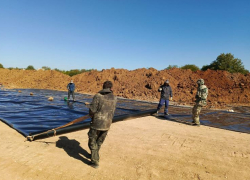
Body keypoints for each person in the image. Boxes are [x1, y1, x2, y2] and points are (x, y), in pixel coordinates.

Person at [87, 81, 117, 168]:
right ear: (111, 88)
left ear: (103, 87)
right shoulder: (115, 98)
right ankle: (94, 155)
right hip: (107, 124)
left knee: (92, 142)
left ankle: (95, 161)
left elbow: (92, 110)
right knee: (99, 141)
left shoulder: (98, 96)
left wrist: (91, 114)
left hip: (97, 123)